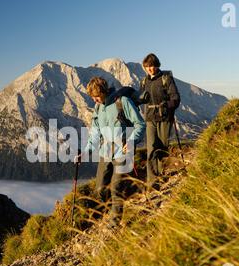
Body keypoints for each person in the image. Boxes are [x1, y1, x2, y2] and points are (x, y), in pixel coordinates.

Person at [75, 77, 146, 229]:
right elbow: (95, 135)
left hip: (123, 152)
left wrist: (132, 141)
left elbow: (140, 123)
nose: (95, 100)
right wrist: (85, 153)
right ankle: (123, 198)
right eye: (92, 97)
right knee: (100, 189)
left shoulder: (122, 102)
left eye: (97, 96)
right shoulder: (98, 108)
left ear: (104, 91)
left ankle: (114, 223)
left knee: (116, 187)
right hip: (105, 153)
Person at [140, 53, 181, 189]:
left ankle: (161, 174)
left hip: (164, 117)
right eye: (147, 66)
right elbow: (139, 98)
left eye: (152, 66)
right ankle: (152, 182)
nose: (150, 69)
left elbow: (175, 98)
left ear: (157, 65)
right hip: (150, 117)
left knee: (162, 147)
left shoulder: (166, 78)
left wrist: (167, 105)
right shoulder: (144, 81)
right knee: (151, 148)